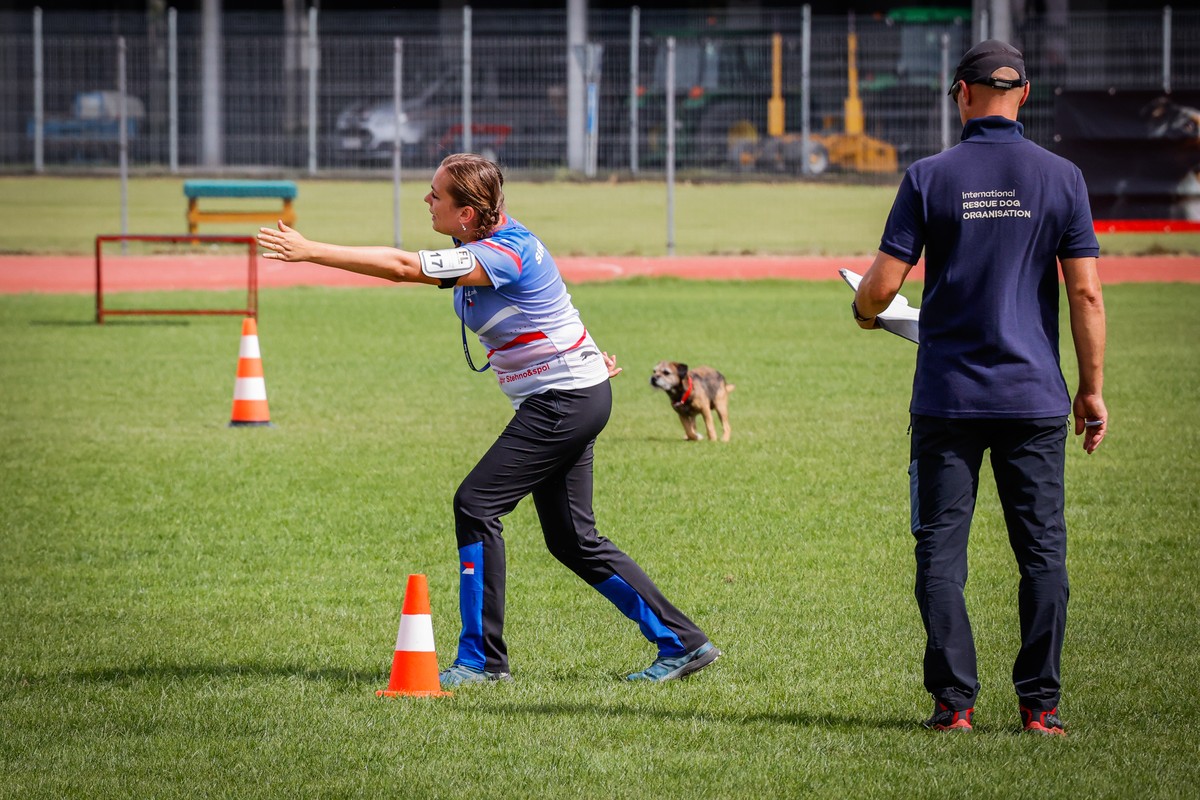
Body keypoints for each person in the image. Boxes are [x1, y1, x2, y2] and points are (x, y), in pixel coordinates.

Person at [258, 153, 720, 688]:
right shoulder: (485, 241)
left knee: (476, 504)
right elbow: (550, 307)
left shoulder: (505, 251)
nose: (426, 200)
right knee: (572, 540)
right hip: (572, 394)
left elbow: (405, 267)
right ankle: (684, 642)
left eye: (436, 194)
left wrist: (311, 251)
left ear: (467, 214)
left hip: (562, 400)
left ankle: (481, 662)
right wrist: (587, 359)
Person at [851, 40, 1107, 736]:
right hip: (1035, 397)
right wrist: (1091, 390)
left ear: (961, 93)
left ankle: (954, 705)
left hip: (948, 399)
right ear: (1024, 95)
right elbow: (1085, 294)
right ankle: (1041, 708)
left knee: (940, 553)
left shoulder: (929, 176)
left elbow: (880, 287)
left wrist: (865, 313)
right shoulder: (1063, 177)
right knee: (1042, 555)